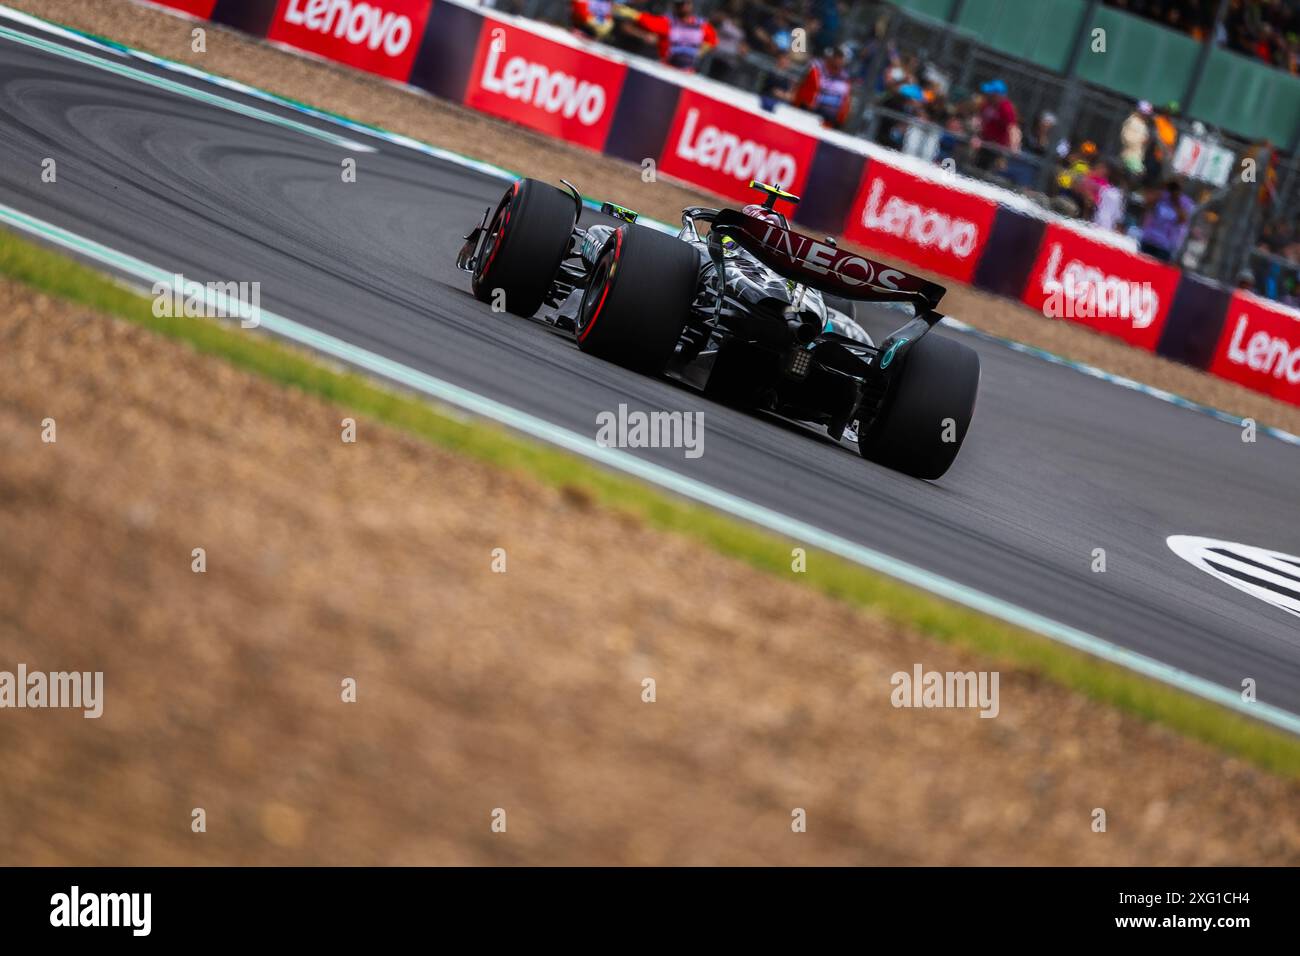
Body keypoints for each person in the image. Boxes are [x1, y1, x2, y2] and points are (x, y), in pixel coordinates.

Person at [616, 0, 716, 71]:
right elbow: (648, 21)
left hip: (687, 71)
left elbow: (712, 40)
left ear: (691, 5)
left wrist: (699, 52)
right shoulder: (668, 23)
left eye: (686, 3)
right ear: (675, 7)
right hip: (667, 68)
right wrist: (631, 13)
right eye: (679, 5)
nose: (683, 7)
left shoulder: (701, 25)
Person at [793, 45, 853, 129]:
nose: (837, 59)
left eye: (841, 57)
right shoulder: (816, 67)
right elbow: (800, 86)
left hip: (829, 122)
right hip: (807, 114)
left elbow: (845, 102)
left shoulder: (845, 79)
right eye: (836, 55)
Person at [1139, 179, 1195, 262]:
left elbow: (1183, 220)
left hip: (1165, 246)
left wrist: (1176, 201)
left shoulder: (1185, 202)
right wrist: (1161, 189)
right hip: (1149, 240)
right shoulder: (1161, 196)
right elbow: (1147, 204)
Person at [973, 78, 1019, 171]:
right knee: (976, 167)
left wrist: (1014, 147)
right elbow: (979, 120)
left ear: (998, 95)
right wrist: (976, 135)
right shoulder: (987, 104)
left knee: (988, 172)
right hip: (984, 143)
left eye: (991, 93)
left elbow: (1012, 128)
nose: (988, 95)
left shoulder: (1006, 107)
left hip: (997, 148)